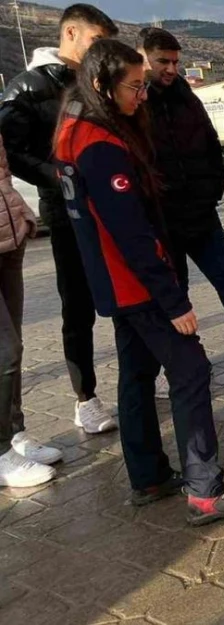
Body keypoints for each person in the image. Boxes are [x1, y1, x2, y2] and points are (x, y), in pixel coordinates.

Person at [55, 39, 224, 524]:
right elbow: (131, 233)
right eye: (133, 86)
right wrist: (173, 300)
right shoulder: (100, 146)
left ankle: (148, 476)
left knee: (136, 374)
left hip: (114, 286)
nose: (141, 96)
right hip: (139, 286)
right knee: (191, 371)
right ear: (102, 87)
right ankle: (205, 489)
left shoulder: (70, 129)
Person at [0, 3, 119, 435]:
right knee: (78, 306)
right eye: (95, 40)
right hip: (68, 211)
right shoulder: (28, 88)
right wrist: (59, 174)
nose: (99, 49)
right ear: (70, 33)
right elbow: (11, 151)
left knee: (128, 293)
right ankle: (85, 398)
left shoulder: (96, 81)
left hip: (111, 205)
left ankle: (144, 375)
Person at [139, 28, 224, 397]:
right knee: (179, 295)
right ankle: (189, 360)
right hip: (163, 221)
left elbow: (211, 146)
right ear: (143, 57)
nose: (171, 69)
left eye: (176, 62)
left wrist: (212, 189)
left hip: (202, 214)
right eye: (163, 61)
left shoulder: (187, 98)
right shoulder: (135, 102)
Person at [1, 134, 63, 487]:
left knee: (14, 347)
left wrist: (20, 215)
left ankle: (15, 435)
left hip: (9, 240)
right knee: (5, 352)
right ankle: (2, 454)